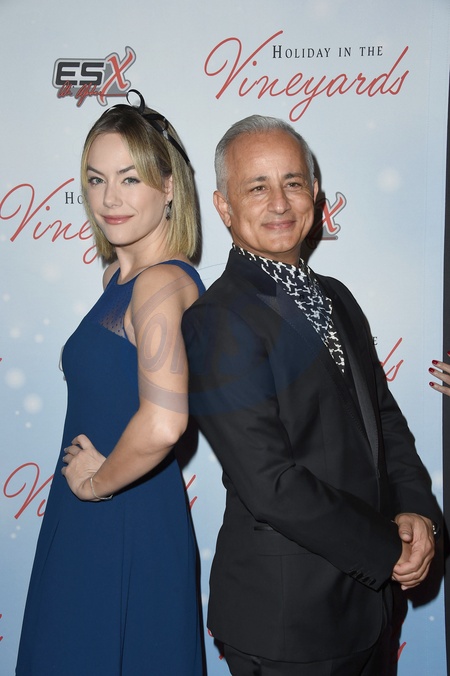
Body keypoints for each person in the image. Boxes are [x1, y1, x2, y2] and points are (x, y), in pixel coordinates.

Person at [181, 115, 441, 676]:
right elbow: (270, 484)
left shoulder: (337, 296)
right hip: (289, 621)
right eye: (257, 187)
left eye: (293, 182)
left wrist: (416, 508)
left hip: (370, 610)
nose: (279, 202)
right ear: (224, 207)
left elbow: (383, 419)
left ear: (315, 193)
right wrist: (386, 548)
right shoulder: (217, 320)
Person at [16, 91, 205, 676]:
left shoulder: (159, 284)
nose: (109, 198)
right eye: (96, 180)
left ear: (168, 186)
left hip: (121, 513)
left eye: (130, 178)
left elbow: (165, 421)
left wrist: (97, 485)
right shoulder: (119, 279)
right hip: (91, 512)